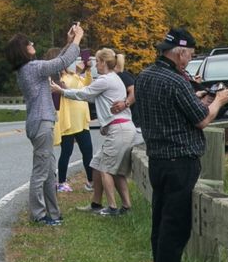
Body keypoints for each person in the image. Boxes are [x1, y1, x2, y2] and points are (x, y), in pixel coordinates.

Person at [133, 29, 228, 262]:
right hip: (180, 161)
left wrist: (198, 99)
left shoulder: (146, 76)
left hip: (157, 159)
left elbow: (159, 111)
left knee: (160, 222)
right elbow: (202, 120)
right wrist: (219, 101)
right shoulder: (176, 82)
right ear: (178, 53)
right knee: (175, 226)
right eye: (188, 54)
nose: (189, 59)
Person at [9, 22, 86, 225]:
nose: (32, 44)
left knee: (50, 172)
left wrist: (69, 42)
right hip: (42, 123)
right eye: (29, 43)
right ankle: (39, 215)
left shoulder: (28, 69)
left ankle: (53, 213)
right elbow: (60, 63)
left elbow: (56, 61)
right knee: (41, 172)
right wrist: (77, 39)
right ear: (23, 49)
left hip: (41, 123)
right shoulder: (32, 68)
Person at [53, 48, 136, 215]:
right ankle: (100, 204)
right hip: (120, 128)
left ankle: (112, 207)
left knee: (106, 169)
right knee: (97, 164)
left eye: (97, 61)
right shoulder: (114, 78)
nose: (96, 64)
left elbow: (84, 94)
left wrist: (61, 91)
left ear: (104, 63)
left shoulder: (105, 80)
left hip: (119, 129)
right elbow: (91, 95)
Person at [53, 58, 94, 193]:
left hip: (82, 122)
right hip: (69, 122)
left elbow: (87, 85)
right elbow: (69, 90)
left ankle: (91, 180)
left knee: (88, 152)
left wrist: (87, 71)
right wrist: (79, 71)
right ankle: (61, 182)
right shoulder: (61, 79)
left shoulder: (75, 76)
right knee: (66, 153)